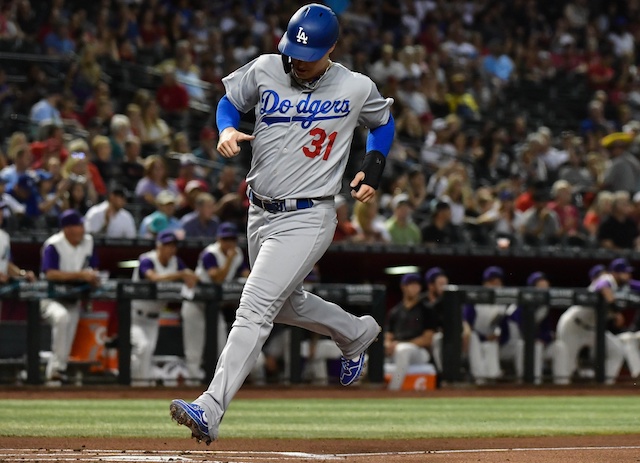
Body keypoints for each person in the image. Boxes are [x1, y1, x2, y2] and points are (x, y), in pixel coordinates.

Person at [170, 3, 394, 444]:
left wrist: (374, 163)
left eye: (307, 54)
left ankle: (210, 408)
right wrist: (226, 129)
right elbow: (228, 102)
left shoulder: (355, 86)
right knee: (285, 304)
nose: (296, 60)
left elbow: (382, 123)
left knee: (254, 306)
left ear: (330, 49)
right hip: (259, 211)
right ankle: (356, 332)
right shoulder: (267, 69)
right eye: (292, 50)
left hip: (310, 215)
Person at [180, 222, 250, 385]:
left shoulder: (237, 254)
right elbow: (217, 278)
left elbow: (247, 275)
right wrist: (229, 260)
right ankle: (192, 385)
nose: (229, 243)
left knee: (222, 346)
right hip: (195, 305)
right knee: (194, 350)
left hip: (213, 307)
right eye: (226, 239)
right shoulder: (209, 253)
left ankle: (219, 386)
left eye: (232, 239)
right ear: (219, 239)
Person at [130, 230, 198, 386]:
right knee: (142, 347)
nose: (171, 249)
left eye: (173, 246)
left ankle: (139, 388)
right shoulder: (147, 259)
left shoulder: (176, 262)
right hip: (134, 316)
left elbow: (190, 276)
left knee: (146, 354)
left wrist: (190, 277)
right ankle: (135, 387)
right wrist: (181, 275)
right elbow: (153, 278)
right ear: (158, 246)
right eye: (167, 245)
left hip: (154, 318)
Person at [40, 210, 100, 384]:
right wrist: (80, 275)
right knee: (62, 318)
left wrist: (92, 276)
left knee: (68, 335)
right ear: (67, 228)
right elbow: (50, 273)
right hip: (50, 297)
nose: (82, 229)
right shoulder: (53, 244)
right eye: (79, 225)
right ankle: (56, 370)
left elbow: (94, 266)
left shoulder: (88, 242)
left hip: (74, 298)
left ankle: (57, 374)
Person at [554, 258, 627, 385]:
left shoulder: (618, 285)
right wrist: (616, 312)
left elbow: (635, 284)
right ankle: (559, 394)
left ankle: (606, 387)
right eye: (626, 272)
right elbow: (603, 287)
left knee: (616, 351)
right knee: (568, 365)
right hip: (574, 326)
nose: (628, 275)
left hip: (593, 329)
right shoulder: (606, 279)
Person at [499, 272, 557, 384]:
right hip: (509, 345)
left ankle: (562, 385)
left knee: (558, 348)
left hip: (530, 344)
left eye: (546, 288)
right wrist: (537, 339)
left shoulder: (544, 307)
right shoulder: (517, 308)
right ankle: (527, 383)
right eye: (541, 288)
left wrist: (544, 339)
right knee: (528, 345)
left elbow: (546, 329)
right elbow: (522, 330)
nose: (544, 291)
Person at [384, 273, 437, 390]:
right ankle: (366, 390)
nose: (414, 288)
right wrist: (387, 345)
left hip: (419, 352)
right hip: (396, 350)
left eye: (417, 285)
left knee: (404, 350)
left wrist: (401, 344)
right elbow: (389, 335)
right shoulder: (395, 311)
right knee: (372, 353)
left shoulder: (426, 309)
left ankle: (393, 391)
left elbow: (427, 339)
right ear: (403, 287)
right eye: (411, 285)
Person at [463, 266, 508, 385]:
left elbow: (505, 328)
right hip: (474, 339)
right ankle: (479, 378)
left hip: (493, 341)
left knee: (491, 344)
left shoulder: (502, 303)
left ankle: (492, 379)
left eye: (497, 282)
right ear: (485, 283)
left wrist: (498, 336)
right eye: (491, 282)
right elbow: (467, 325)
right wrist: (484, 337)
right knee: (474, 337)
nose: (495, 285)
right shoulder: (474, 301)